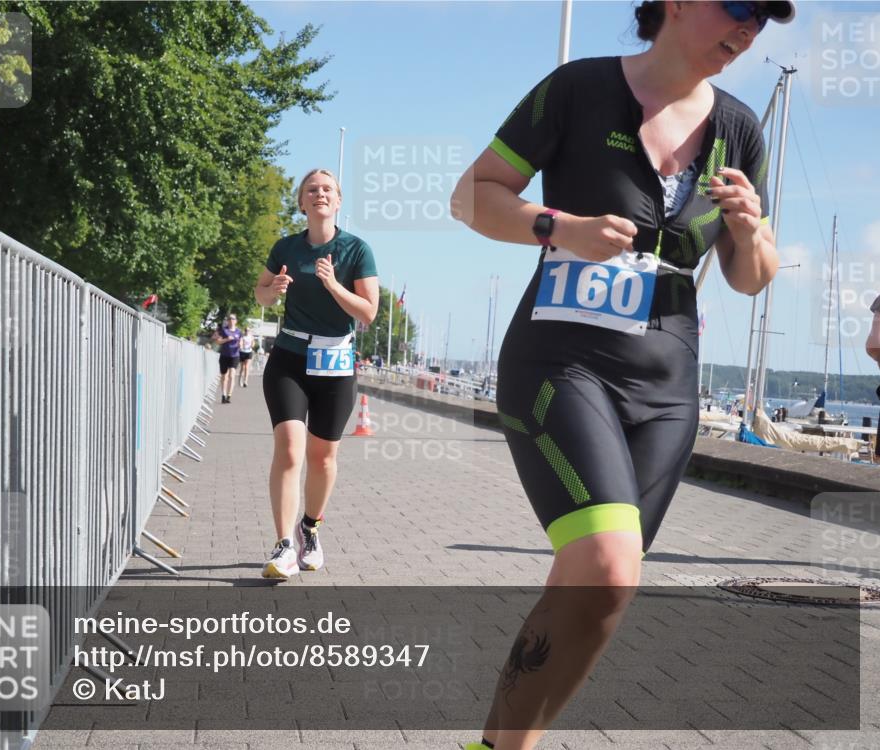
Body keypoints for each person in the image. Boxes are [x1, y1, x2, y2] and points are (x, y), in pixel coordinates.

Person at [451, 2, 789, 747]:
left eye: (762, 19)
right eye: (736, 7)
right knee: (606, 562)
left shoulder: (741, 128)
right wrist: (559, 227)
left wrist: (747, 227)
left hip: (666, 388)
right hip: (561, 360)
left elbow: (751, 277)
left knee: (594, 587)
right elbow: (471, 196)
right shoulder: (577, 89)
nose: (747, 28)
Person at [254, 168, 379, 579]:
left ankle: (310, 528)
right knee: (290, 448)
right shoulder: (286, 247)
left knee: (323, 457)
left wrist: (333, 285)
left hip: (335, 363)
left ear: (338, 201)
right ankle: (284, 544)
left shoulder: (356, 250)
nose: (320, 193)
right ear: (302, 202)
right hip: (289, 356)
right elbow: (262, 293)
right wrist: (274, 292)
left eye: (327, 189)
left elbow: (368, 312)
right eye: (312, 189)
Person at [214, 314, 242, 403]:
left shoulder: (238, 331)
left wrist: (240, 345)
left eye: (233, 319)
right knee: (224, 376)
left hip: (235, 355)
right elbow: (218, 341)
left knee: (232, 375)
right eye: (229, 319)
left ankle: (229, 396)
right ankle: (223, 395)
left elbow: (240, 342)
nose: (231, 320)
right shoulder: (224, 330)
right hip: (224, 355)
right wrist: (226, 339)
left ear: (236, 321)